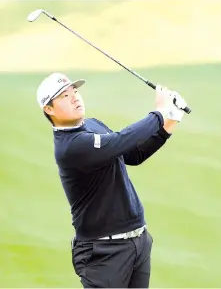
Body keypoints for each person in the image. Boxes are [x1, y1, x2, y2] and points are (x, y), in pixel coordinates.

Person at [36, 72, 187, 288]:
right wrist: (160, 113)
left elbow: (133, 155)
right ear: (49, 109)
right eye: (64, 96)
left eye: (75, 91)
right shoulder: (70, 147)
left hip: (138, 241)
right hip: (104, 252)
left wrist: (170, 121)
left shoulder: (93, 125)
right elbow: (122, 139)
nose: (75, 97)